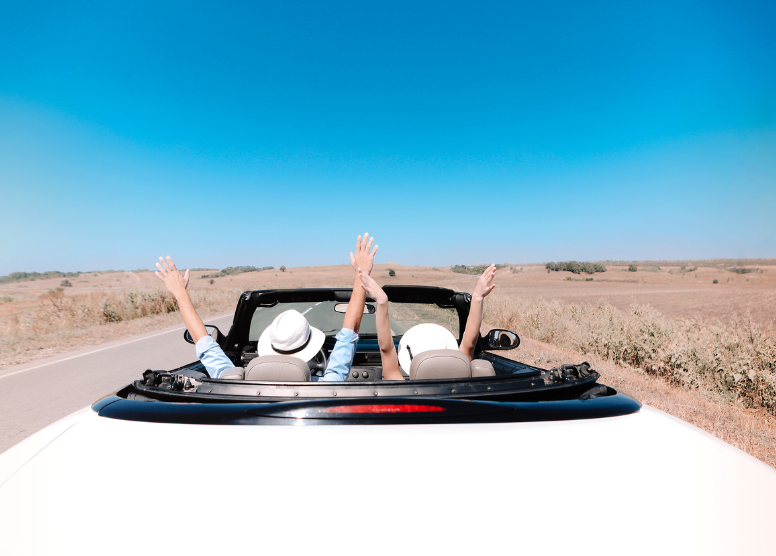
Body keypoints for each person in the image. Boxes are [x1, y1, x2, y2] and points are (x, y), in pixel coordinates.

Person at [154, 233, 378, 381]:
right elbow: (350, 329)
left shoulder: (232, 380)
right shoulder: (329, 384)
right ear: (311, 346)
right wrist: (361, 276)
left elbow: (204, 343)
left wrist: (180, 294)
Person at [357, 264, 497, 380]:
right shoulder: (464, 386)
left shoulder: (399, 385)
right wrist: (477, 297)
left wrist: (382, 302)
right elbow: (469, 343)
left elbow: (386, 349)